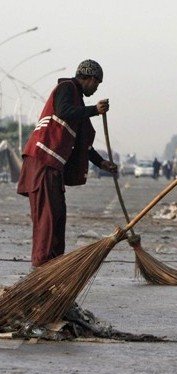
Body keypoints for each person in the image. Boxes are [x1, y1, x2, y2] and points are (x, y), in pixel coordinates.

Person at [17, 59, 117, 268]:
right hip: (42, 162)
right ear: (89, 78)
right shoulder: (66, 88)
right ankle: (42, 275)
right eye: (96, 84)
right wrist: (94, 110)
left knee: (57, 218)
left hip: (52, 168)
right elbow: (63, 111)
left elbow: (83, 144)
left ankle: (53, 270)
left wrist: (102, 164)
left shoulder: (78, 104)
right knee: (48, 222)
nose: (96, 88)